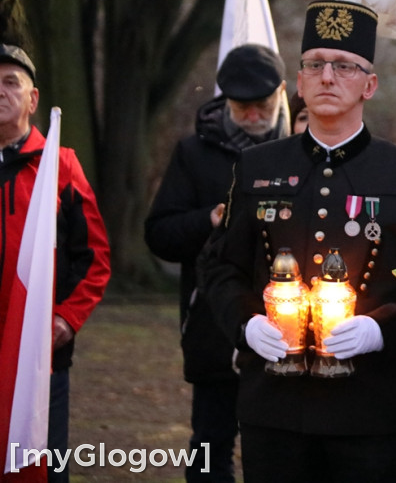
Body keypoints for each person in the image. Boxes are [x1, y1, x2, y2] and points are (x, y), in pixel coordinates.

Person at [201, 0, 396, 482]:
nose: (327, 77)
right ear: (297, 83)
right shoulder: (257, 168)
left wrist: (383, 329)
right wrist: (244, 324)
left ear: (370, 85)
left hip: (366, 409)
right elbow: (219, 266)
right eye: (314, 65)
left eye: (344, 66)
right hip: (273, 405)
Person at [144, 43, 288, 482]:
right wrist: (209, 218)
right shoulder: (193, 152)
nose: (252, 116)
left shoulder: (299, 148)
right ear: (225, 100)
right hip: (212, 325)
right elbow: (159, 234)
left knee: (278, 449)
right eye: (241, 107)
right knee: (210, 446)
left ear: (281, 93)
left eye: (261, 105)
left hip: (287, 325)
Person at [0, 44, 110, 483]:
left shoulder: (60, 167)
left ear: (33, 100)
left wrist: (67, 318)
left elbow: (94, 257)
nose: (0, 92)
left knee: (39, 466)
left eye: (11, 83)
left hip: (38, 353)